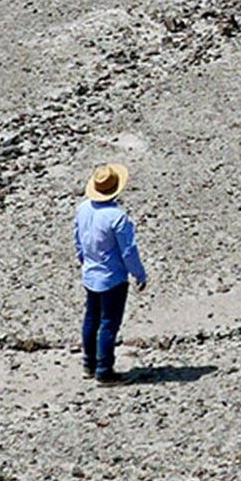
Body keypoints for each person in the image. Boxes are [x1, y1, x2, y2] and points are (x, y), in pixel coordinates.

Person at [73, 162, 148, 383]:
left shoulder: (83, 208)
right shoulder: (117, 217)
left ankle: (89, 363)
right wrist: (139, 274)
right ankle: (104, 371)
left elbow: (78, 241)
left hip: (90, 273)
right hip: (112, 277)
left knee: (91, 319)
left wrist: (84, 261)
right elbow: (128, 251)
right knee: (108, 323)